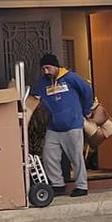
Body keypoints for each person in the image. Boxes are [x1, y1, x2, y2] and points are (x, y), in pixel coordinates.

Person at [37, 52, 95, 196]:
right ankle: (57, 184)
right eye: (43, 68)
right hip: (54, 127)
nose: (45, 71)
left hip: (73, 125)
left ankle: (82, 186)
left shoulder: (70, 77)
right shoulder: (43, 82)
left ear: (56, 67)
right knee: (49, 155)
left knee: (76, 156)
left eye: (48, 68)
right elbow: (33, 96)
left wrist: (86, 109)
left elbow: (87, 90)